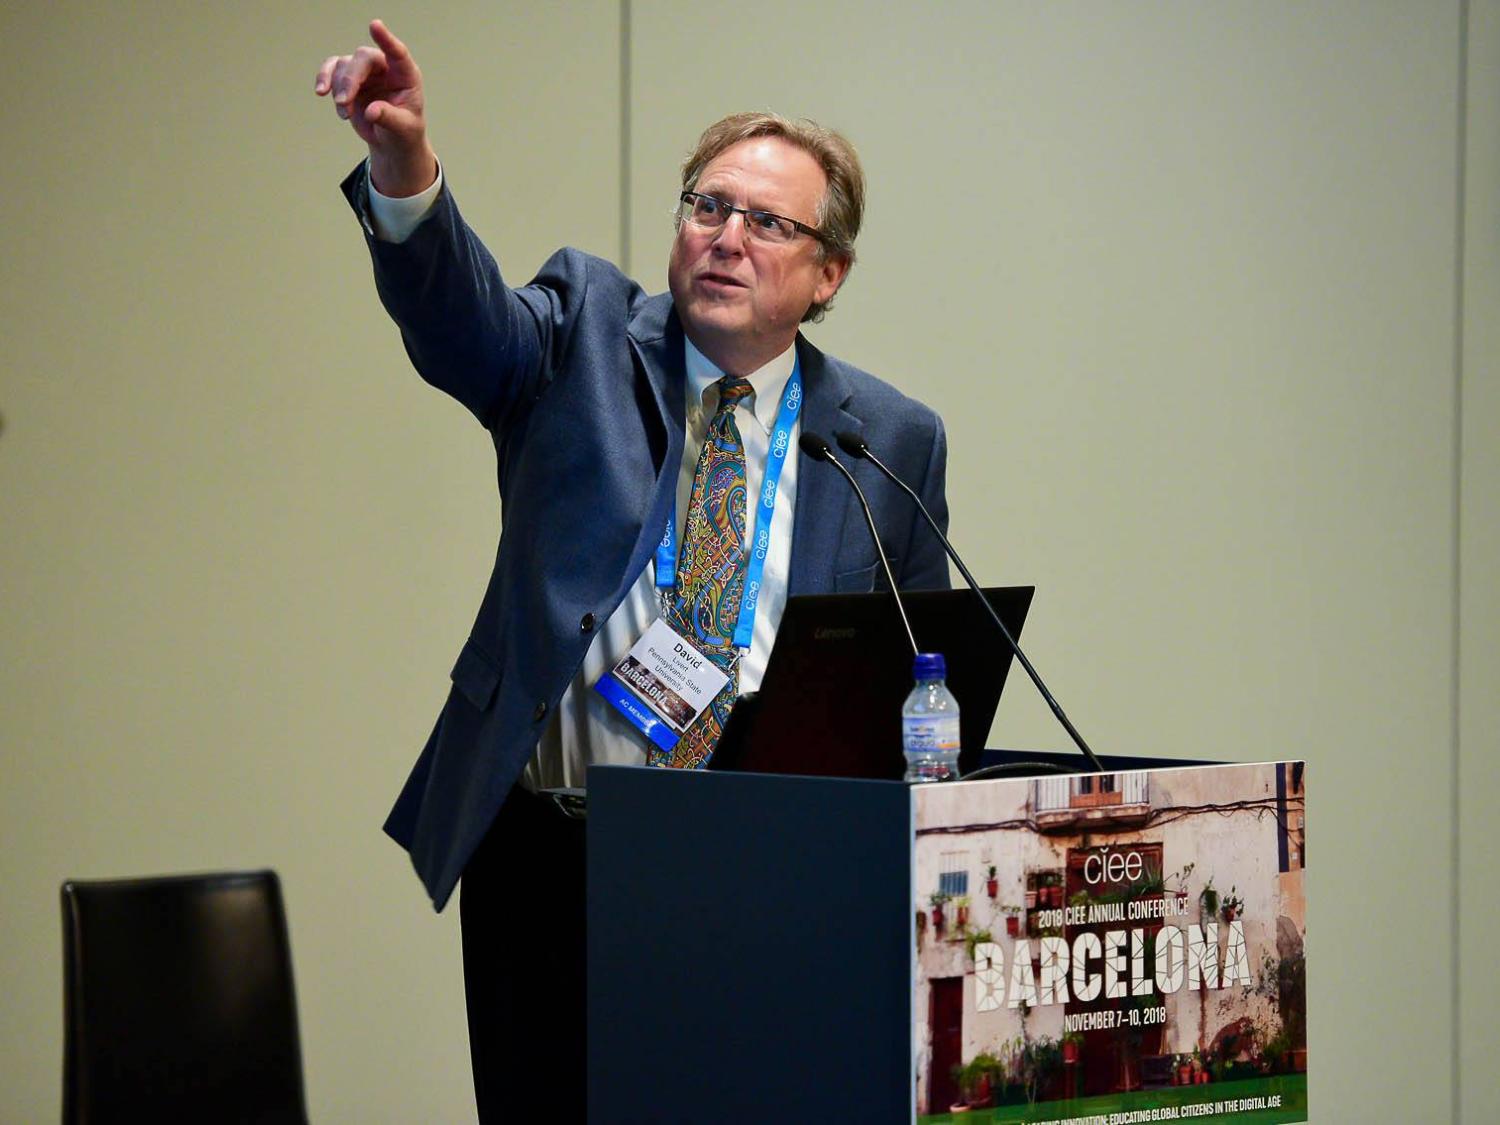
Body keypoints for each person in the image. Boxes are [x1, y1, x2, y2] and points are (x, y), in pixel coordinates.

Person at [316, 19, 951, 1122]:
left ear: (828, 274)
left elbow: (913, 674)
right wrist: (403, 167)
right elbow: (460, 323)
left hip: (765, 872)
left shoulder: (888, 439)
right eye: (707, 206)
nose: (726, 236)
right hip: (557, 858)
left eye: (766, 221)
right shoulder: (582, 338)